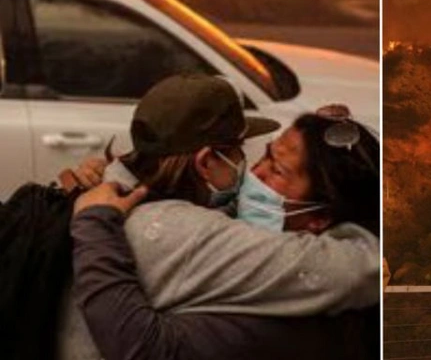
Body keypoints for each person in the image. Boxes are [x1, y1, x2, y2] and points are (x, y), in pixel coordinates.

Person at [58, 74, 380, 360]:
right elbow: (371, 264)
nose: (252, 171)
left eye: (276, 169)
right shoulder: (199, 236)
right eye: (251, 153)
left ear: (321, 216)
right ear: (206, 161)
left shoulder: (111, 198)